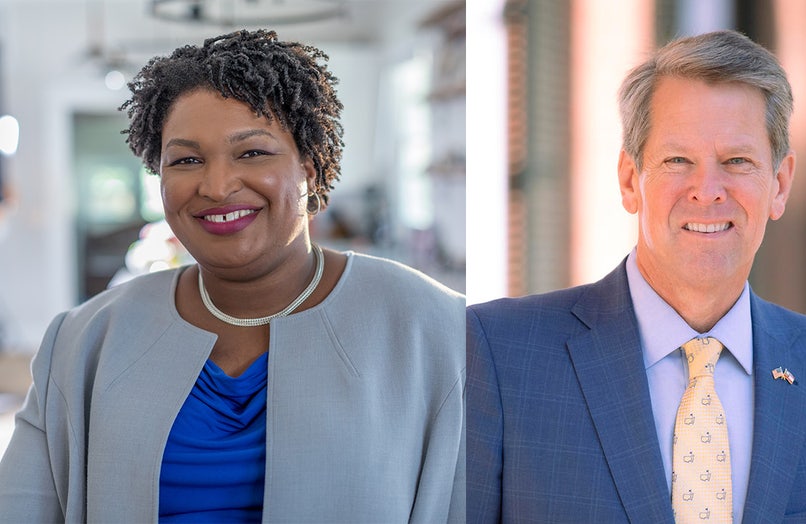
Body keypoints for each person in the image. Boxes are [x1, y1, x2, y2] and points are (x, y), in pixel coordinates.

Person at [0, 29, 464, 522]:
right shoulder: (82, 341)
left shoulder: (433, 328)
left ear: (309, 166)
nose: (217, 186)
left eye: (252, 153)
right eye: (186, 160)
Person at [467, 30, 806, 523]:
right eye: (677, 160)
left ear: (779, 185)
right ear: (630, 181)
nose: (708, 190)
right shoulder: (498, 354)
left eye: (737, 161)